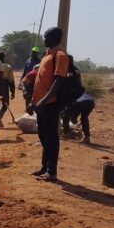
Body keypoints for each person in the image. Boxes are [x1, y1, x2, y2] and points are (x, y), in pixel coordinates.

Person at [28, 26, 69, 181]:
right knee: (43, 136)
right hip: (41, 104)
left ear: (54, 38)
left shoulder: (60, 55)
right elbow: (40, 81)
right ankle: (44, 167)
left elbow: (59, 80)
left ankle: (52, 172)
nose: (44, 39)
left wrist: (44, 100)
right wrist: (33, 102)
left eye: (46, 37)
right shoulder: (47, 55)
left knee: (51, 137)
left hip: (51, 103)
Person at [0, 52, 16, 128]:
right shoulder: (7, 66)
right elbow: (11, 80)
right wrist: (13, 92)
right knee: (5, 104)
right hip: (4, 87)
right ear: (3, 58)